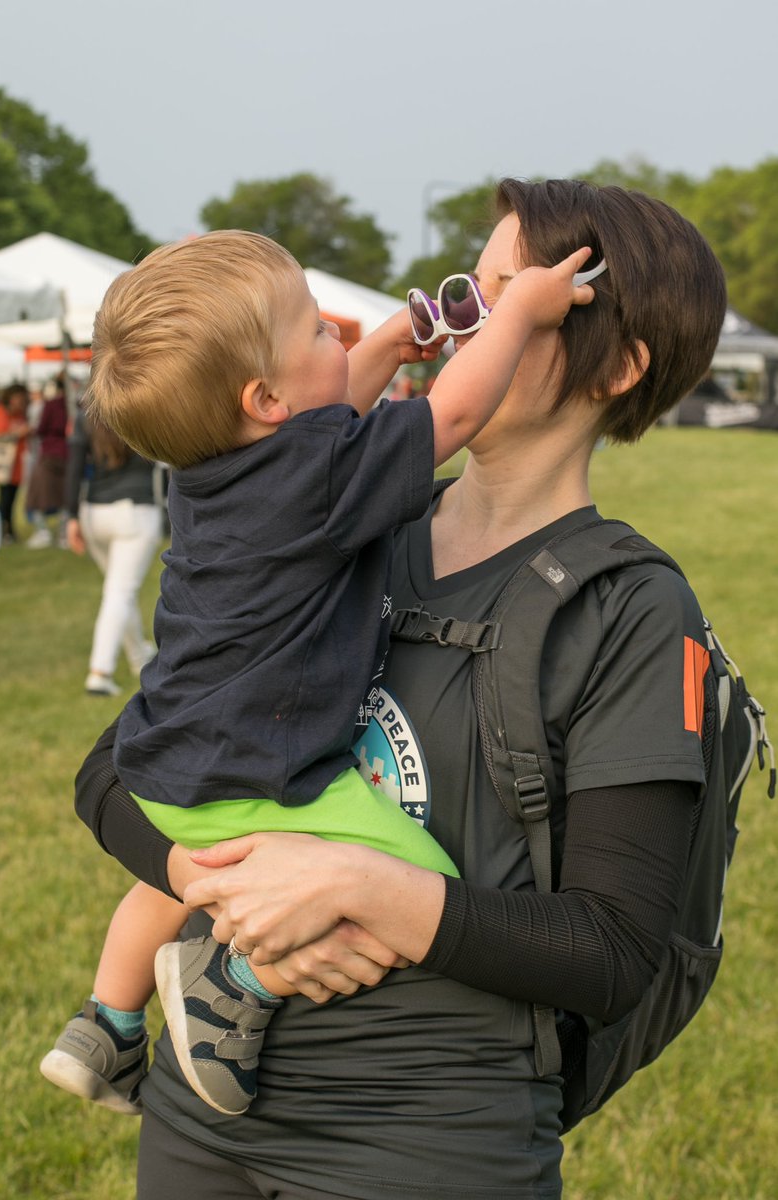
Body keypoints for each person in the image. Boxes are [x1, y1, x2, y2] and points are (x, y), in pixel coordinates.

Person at [69, 179, 728, 1200]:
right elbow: (115, 770)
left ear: (620, 366)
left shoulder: (627, 608)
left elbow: (611, 953)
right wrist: (209, 884)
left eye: (518, 301)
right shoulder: (330, 524)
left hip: (425, 1139)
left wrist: (370, 888)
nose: (469, 328)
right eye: (472, 295)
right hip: (201, 1115)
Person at [40, 228, 594, 1120]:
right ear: (263, 397)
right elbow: (449, 418)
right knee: (417, 879)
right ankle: (236, 984)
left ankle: (104, 1022)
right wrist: (520, 313)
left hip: (170, 765)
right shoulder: (317, 482)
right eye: (316, 333)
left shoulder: (205, 472)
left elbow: (320, 429)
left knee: (173, 875)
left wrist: (377, 349)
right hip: (271, 776)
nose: (336, 333)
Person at [63, 409, 163, 696]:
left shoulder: (86, 415)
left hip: (94, 514)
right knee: (119, 593)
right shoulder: (142, 405)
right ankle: (100, 672)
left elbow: (74, 467)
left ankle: (139, 658)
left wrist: (70, 516)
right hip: (135, 511)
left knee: (118, 591)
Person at [25, 374, 68, 548]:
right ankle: (63, 534)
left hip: (51, 453)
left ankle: (44, 532)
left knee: (36, 495)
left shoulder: (52, 405)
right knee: (65, 495)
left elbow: (42, 428)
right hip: (67, 453)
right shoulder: (75, 405)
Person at [0, 383, 30, 543]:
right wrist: (19, 433)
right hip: (3, 465)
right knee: (4, 500)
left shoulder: (20, 415)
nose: (20, 402)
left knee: (12, 500)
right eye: (18, 398)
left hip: (16, 464)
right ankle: (1, 531)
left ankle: (9, 530)